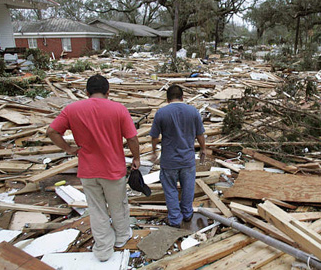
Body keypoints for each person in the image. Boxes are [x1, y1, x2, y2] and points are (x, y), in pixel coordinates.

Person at [46, 74, 140, 262]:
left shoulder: (72, 109)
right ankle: (121, 238)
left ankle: (103, 250)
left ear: (87, 92)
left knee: (97, 210)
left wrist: (69, 149)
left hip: (88, 170)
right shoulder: (119, 109)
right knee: (118, 206)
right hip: (114, 170)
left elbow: (51, 131)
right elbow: (131, 138)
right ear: (108, 91)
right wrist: (136, 157)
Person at [150, 84, 206, 228]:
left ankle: (175, 219)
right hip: (187, 159)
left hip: (169, 161)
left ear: (167, 99)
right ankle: (187, 214)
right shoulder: (193, 111)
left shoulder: (161, 113)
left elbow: (154, 137)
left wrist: (154, 151)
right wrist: (203, 150)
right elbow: (200, 134)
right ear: (182, 97)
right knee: (188, 189)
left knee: (170, 190)